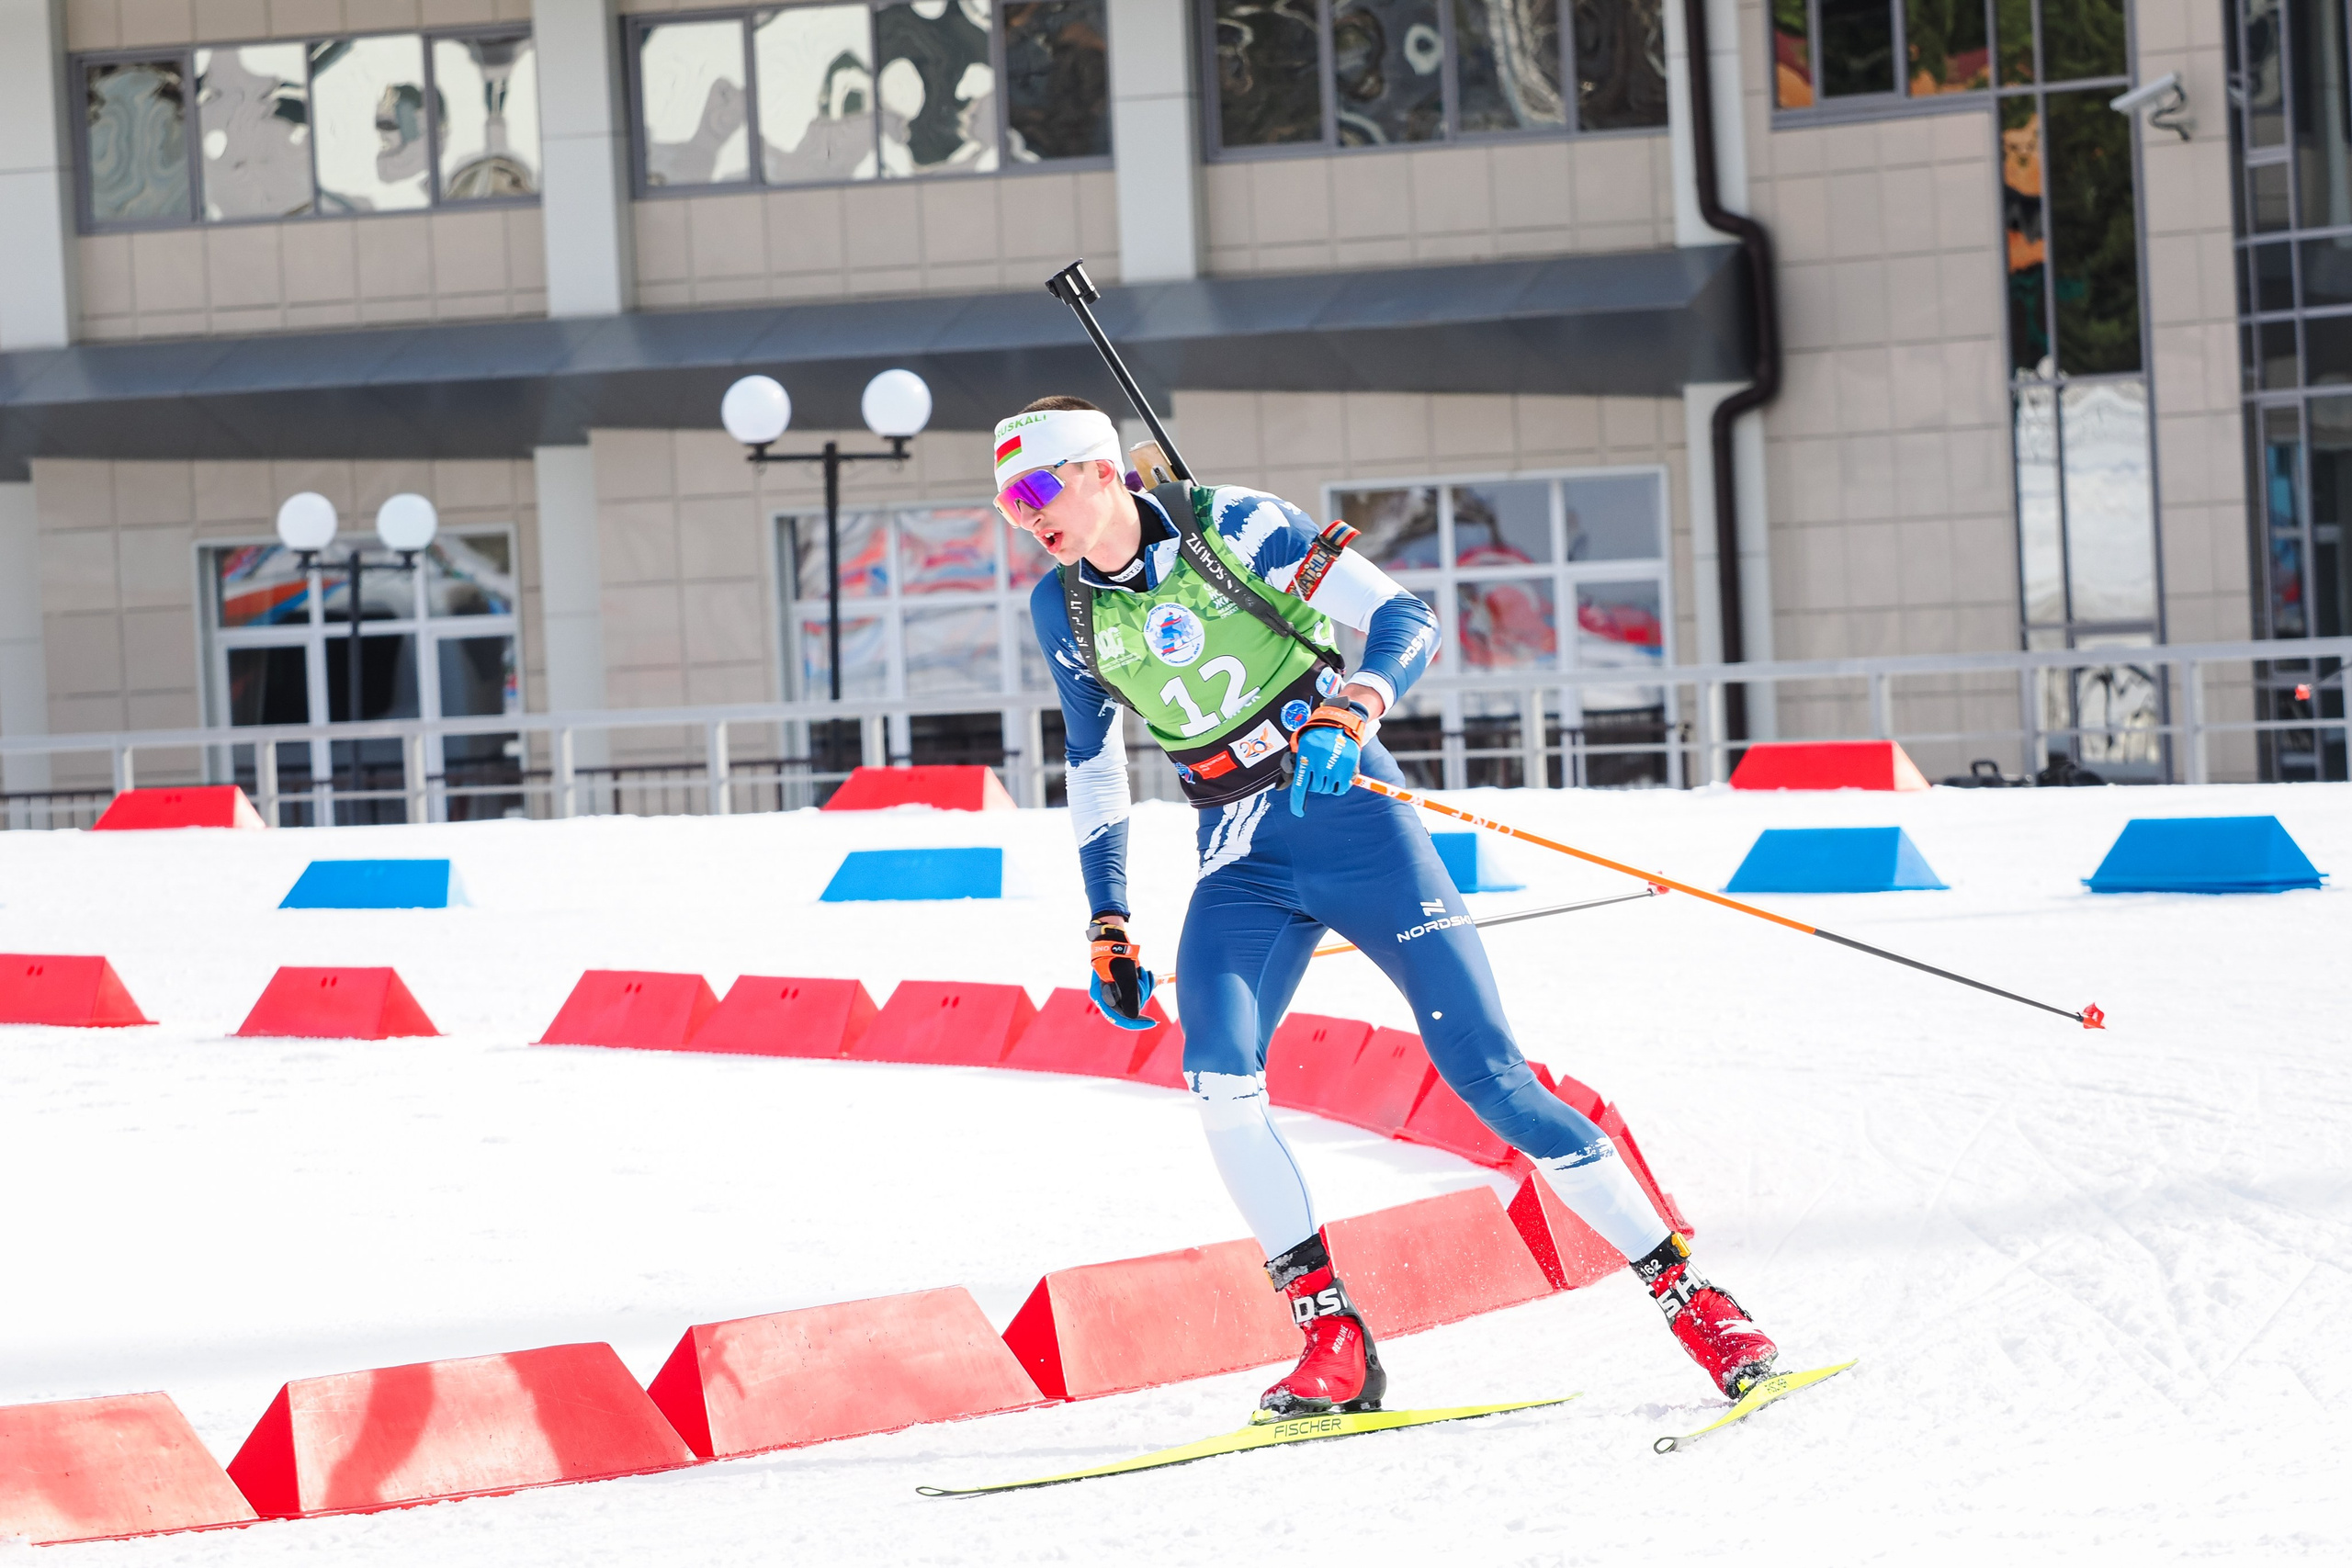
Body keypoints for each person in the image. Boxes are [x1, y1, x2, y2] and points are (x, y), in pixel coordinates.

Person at [995, 396, 1777, 1416]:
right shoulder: (1065, 608)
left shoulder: (1233, 526)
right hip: (1239, 849)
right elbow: (1092, 763)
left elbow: (1407, 617)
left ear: (1101, 472)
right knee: (1217, 1080)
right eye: (1008, 505)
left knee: (1486, 1077)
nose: (1025, 517)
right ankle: (1332, 1338)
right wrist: (1107, 919)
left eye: (1036, 490)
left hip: (1351, 812)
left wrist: (1350, 707)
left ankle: (1691, 1296)